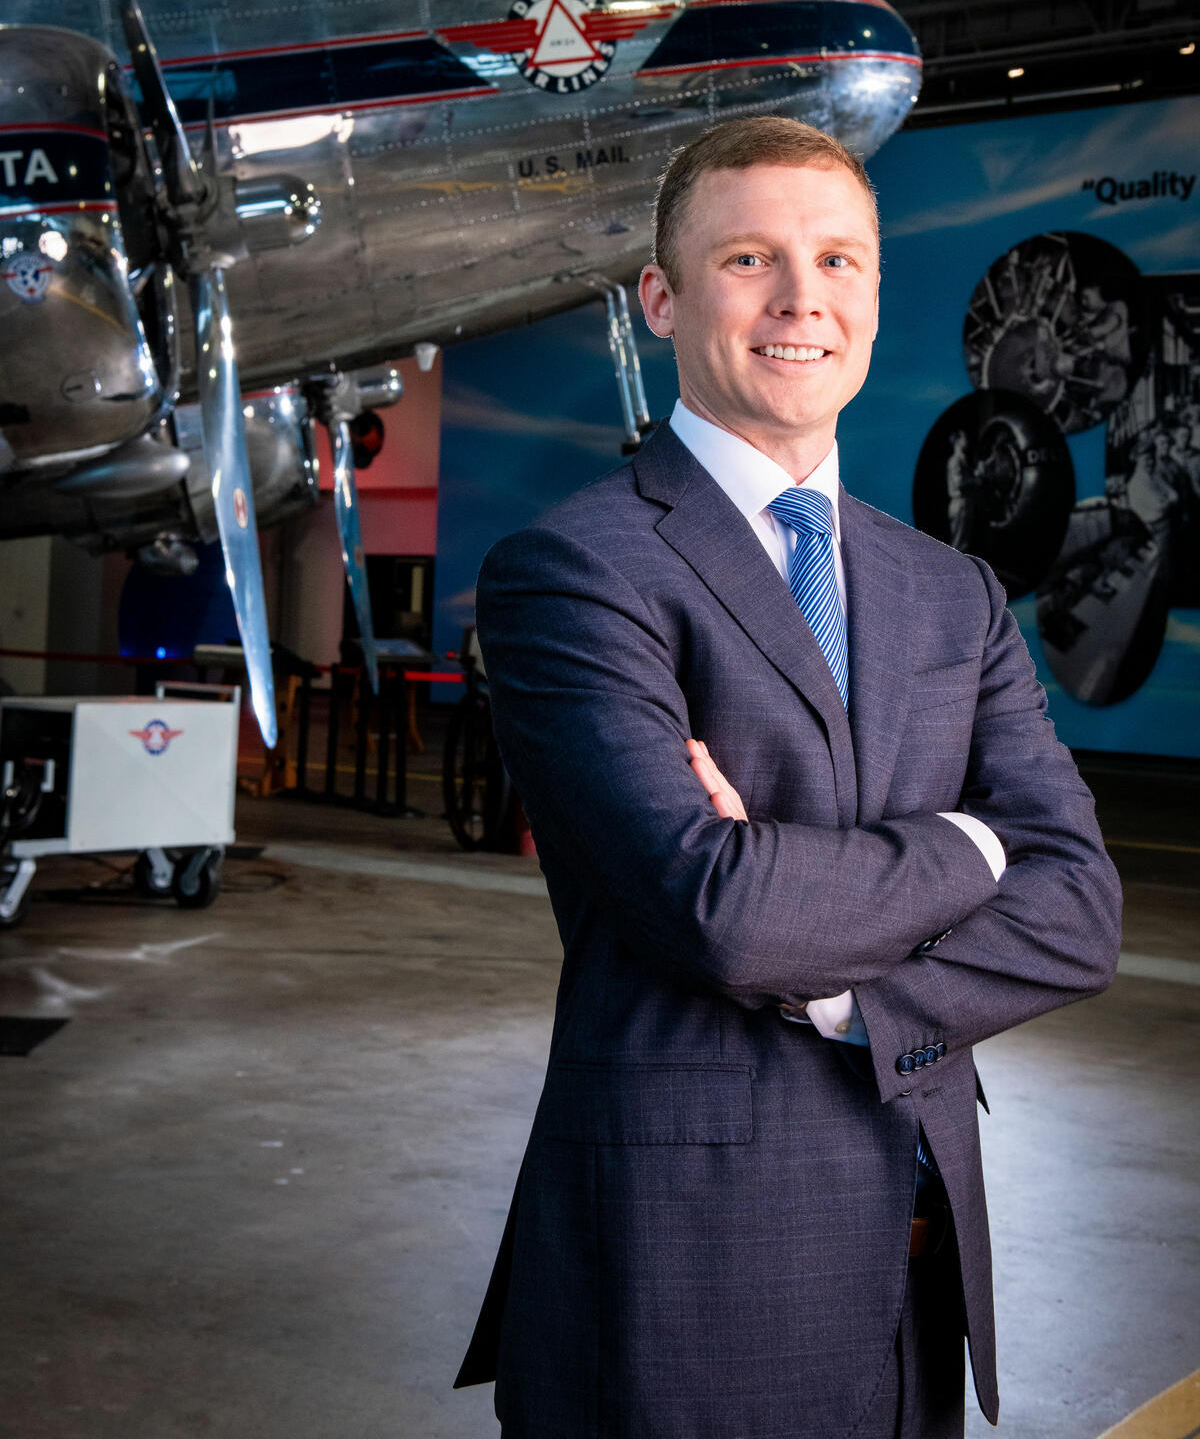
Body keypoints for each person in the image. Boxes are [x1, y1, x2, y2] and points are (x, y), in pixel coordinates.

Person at [455, 117, 1122, 1438]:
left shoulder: (953, 591)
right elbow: (720, 908)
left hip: (920, 1249)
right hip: (684, 1261)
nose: (802, 299)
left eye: (837, 261)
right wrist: (973, 847)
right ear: (662, 300)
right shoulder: (575, 571)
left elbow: (1082, 914)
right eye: (750, 258)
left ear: (872, 293)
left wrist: (845, 991)